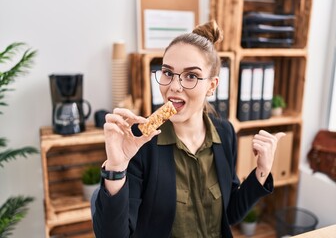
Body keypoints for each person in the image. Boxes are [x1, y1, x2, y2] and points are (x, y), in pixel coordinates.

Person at [93, 20, 285, 238]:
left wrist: (262, 170)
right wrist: (116, 167)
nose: (174, 86)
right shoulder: (139, 140)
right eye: (167, 72)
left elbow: (229, 214)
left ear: (212, 86)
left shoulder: (225, 132)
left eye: (191, 76)